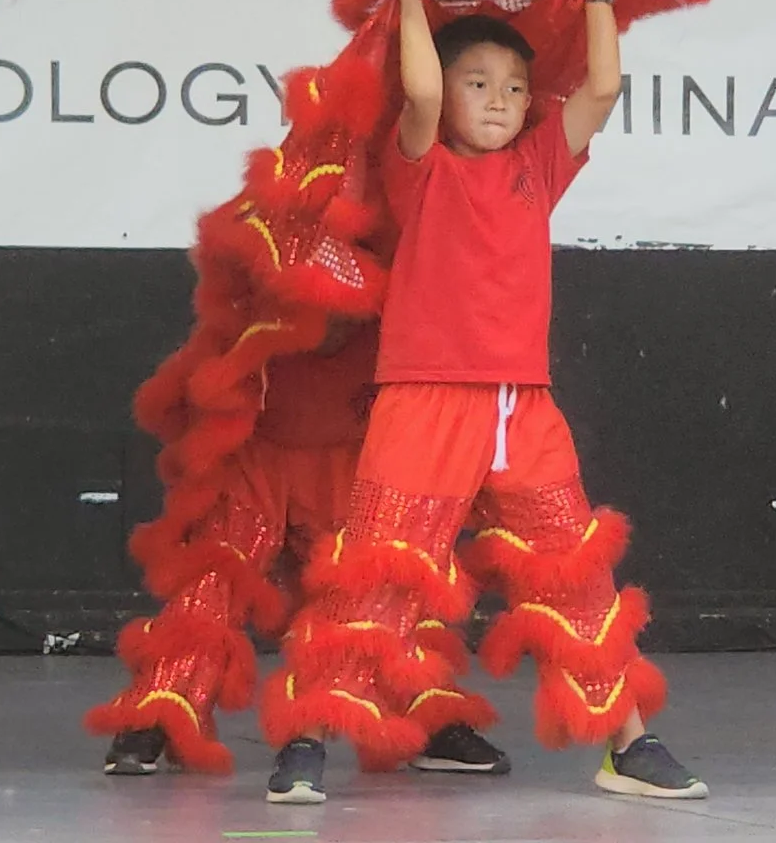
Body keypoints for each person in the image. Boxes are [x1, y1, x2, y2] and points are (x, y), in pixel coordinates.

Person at [259, 0, 706, 806]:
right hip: (424, 398)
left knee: (572, 571)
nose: (498, 99)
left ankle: (627, 745)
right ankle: (307, 742)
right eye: (478, 82)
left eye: (512, 86)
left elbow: (602, 88)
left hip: (522, 405)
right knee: (379, 572)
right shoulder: (420, 164)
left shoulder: (539, 164)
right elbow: (420, 89)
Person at [88, 324, 509, 778]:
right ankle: (161, 711)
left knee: (376, 583)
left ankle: (423, 715)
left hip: (359, 433)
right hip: (259, 434)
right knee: (215, 574)